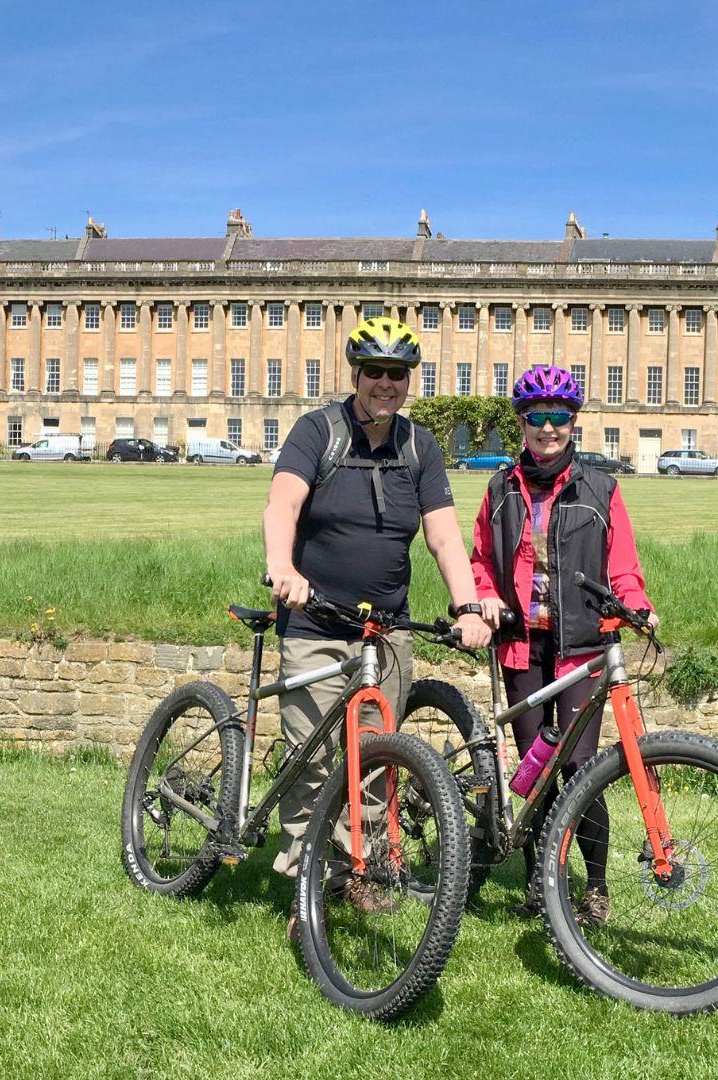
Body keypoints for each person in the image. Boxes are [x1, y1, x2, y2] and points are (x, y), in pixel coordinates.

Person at [263, 315, 491, 937]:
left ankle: (355, 871)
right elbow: (283, 501)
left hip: (385, 630)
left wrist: (467, 606)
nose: (385, 384)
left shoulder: (418, 447)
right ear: (355, 375)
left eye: (397, 374)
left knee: (370, 761)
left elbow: (444, 536)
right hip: (316, 623)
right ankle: (305, 887)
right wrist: (282, 566)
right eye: (375, 372)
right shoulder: (319, 432)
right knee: (310, 760)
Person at [469, 364, 656, 927]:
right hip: (522, 646)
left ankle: (594, 885)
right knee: (535, 770)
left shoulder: (602, 488)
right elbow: (480, 559)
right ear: (522, 423)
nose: (548, 429)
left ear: (574, 422)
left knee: (579, 770)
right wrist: (485, 598)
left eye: (559, 417)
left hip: (580, 647)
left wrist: (636, 604)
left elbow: (622, 567)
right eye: (537, 418)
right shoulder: (500, 489)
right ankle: (536, 875)